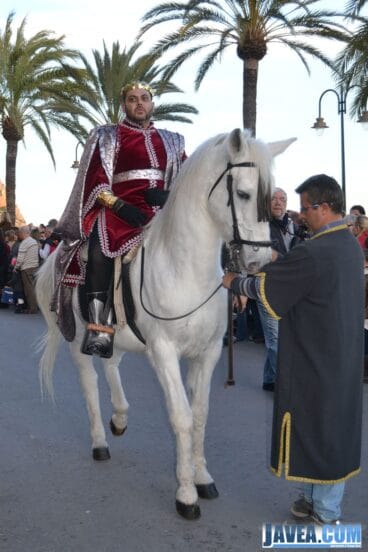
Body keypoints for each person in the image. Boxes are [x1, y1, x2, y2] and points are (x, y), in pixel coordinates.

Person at [223, 174, 364, 524]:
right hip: (337, 353)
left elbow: (270, 289)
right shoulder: (347, 244)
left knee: (326, 430)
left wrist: (233, 281)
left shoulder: (317, 250)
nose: (301, 215)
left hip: (320, 355)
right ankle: (312, 499)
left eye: (306, 208)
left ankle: (326, 512)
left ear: (325, 207)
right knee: (319, 425)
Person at [55, 82, 186, 356]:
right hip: (119, 212)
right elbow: (96, 183)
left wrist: (169, 196)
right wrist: (119, 205)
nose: (139, 103)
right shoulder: (107, 136)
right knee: (101, 250)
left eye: (144, 98)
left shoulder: (173, 140)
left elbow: (186, 176)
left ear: (152, 103)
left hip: (161, 211)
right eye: (132, 99)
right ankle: (99, 329)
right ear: (123, 105)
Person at [258, 187, 304, 391]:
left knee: (280, 335)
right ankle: (288, 386)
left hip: (290, 289)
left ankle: (270, 379)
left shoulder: (294, 227)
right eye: (274, 199)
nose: (278, 202)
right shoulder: (258, 226)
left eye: (282, 199)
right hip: (266, 286)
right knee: (275, 337)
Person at [14, 225, 39, 314]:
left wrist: (16, 267)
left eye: (19, 233)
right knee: (33, 288)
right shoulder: (33, 241)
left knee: (29, 289)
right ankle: (34, 306)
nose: (18, 235)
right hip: (34, 267)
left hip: (27, 268)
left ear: (23, 233)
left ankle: (32, 308)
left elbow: (20, 258)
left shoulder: (24, 243)